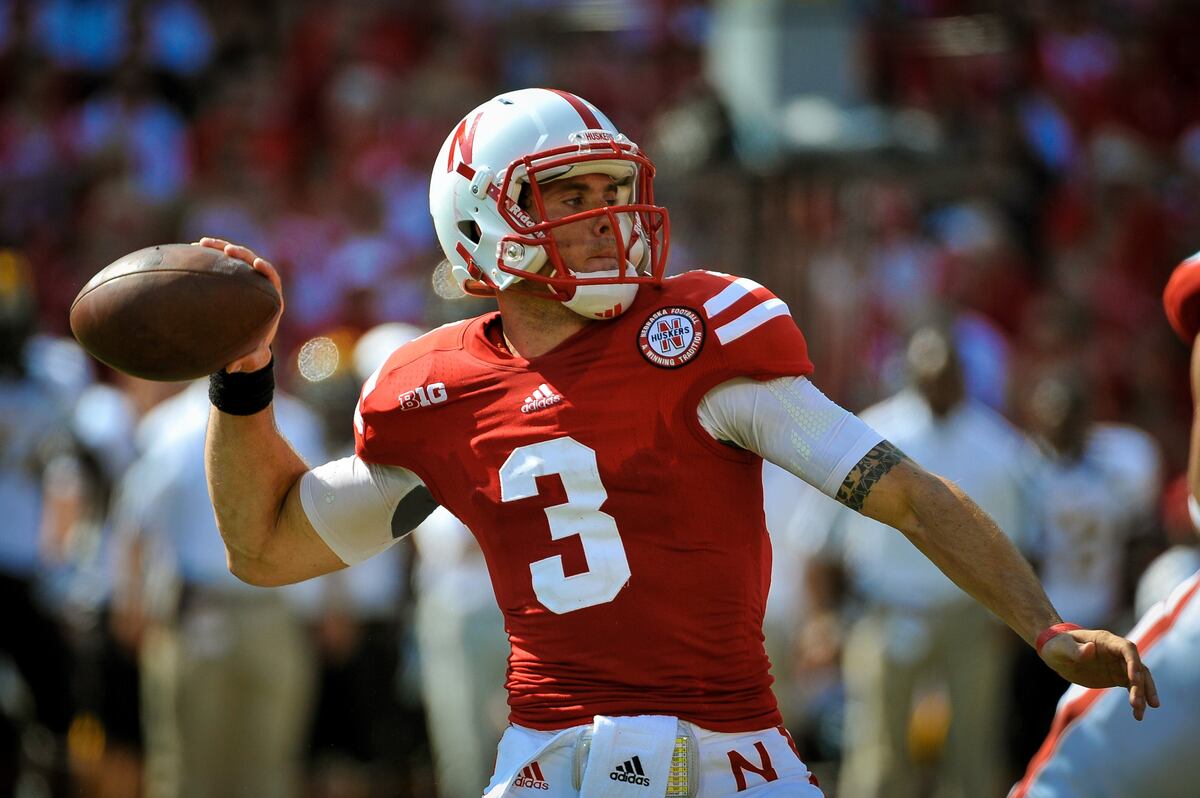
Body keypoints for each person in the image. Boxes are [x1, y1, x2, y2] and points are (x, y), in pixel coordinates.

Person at [200, 88, 1157, 798]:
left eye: (617, 186)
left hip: (731, 750)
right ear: (485, 223)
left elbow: (907, 493)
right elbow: (268, 546)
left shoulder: (701, 340)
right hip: (550, 758)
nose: (609, 215)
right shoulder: (436, 392)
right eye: (571, 192)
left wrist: (1047, 626)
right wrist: (242, 382)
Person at [816, 322, 1040, 798]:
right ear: (910, 371)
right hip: (885, 607)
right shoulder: (872, 434)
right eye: (928, 368)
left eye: (948, 371)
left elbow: (1027, 541)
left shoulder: (999, 445)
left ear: (963, 375)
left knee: (974, 749)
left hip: (971, 614)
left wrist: (1014, 619)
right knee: (876, 750)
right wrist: (827, 616)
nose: (938, 379)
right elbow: (826, 539)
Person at [1008, 259, 1200, 798]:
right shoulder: (1021, 467)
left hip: (1101, 619)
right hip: (1043, 628)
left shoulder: (1121, 457)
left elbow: (1142, 541)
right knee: (1027, 737)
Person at [112, 379, 324, 798]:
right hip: (196, 610)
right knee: (187, 767)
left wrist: (331, 603)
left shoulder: (299, 421)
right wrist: (130, 602)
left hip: (271, 609)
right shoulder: (172, 423)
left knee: (269, 764)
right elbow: (134, 522)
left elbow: (325, 516)